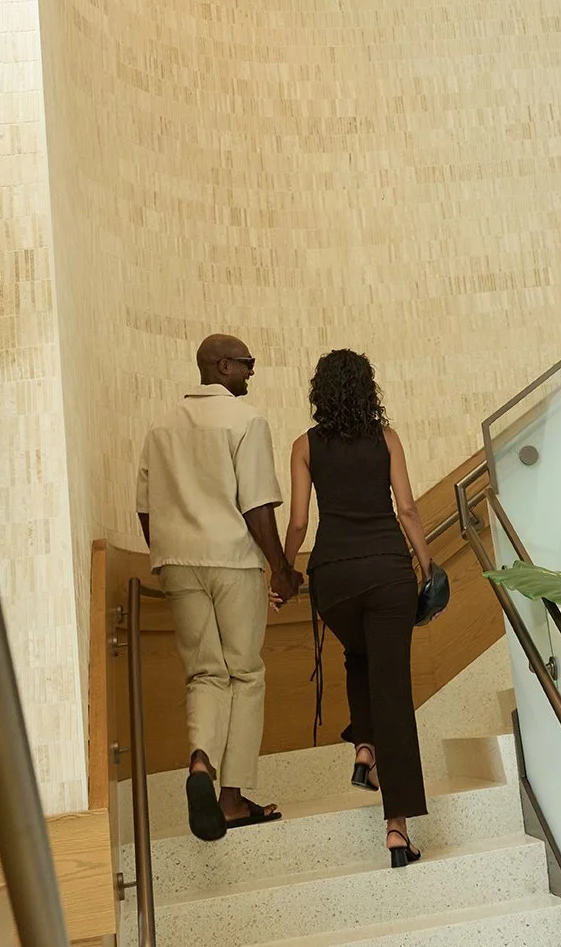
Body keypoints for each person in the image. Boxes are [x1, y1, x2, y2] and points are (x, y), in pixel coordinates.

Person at [137, 333, 301, 842]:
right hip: (232, 560)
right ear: (223, 366)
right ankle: (230, 799)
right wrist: (281, 569)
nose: (252, 372)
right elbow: (257, 506)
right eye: (247, 363)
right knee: (245, 673)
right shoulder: (245, 420)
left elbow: (145, 509)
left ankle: (200, 761)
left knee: (204, 673)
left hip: (177, 562)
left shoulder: (160, 426)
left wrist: (168, 555)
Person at [284, 350, 438, 868]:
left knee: (358, 655)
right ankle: (397, 827)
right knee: (392, 689)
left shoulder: (304, 446)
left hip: (334, 578)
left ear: (320, 392)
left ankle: (365, 748)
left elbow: (299, 522)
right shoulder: (386, 439)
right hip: (387, 572)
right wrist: (428, 566)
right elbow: (407, 509)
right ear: (368, 389)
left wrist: (283, 572)